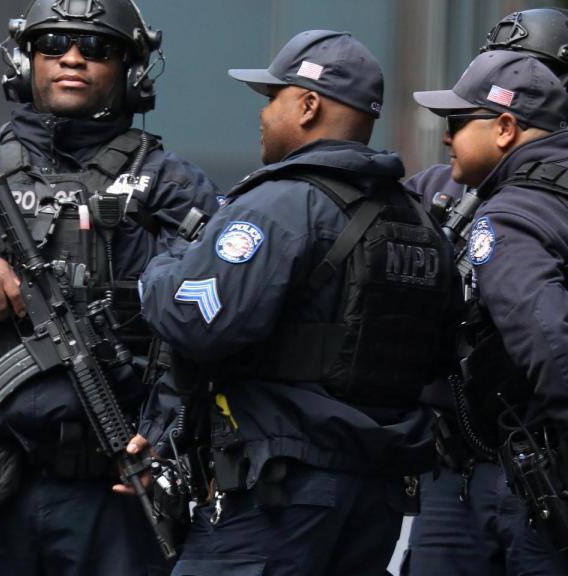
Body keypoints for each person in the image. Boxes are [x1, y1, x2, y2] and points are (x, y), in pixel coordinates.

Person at [0, 0, 220, 574]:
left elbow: (206, 322)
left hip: (115, 483)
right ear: (25, 63)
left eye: (97, 48)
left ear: (132, 69)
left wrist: (165, 433)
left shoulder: (171, 187)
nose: (72, 58)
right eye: (52, 46)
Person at [137, 30, 457, 575]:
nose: (262, 116)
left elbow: (195, 322)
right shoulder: (417, 218)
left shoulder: (281, 204)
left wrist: (161, 270)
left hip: (280, 496)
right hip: (374, 499)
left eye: (272, 99)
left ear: (308, 105)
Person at [402, 9, 568, 575]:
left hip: (543, 463)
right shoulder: (455, 179)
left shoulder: (522, 201)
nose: (448, 135)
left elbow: (547, 337)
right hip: (459, 464)